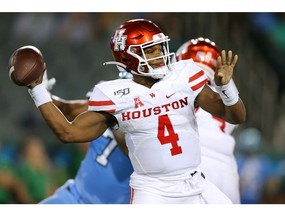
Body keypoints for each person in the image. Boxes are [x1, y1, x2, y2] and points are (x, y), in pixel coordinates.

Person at [18, 18, 246, 204]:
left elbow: (237, 116)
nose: (160, 55)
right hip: (151, 190)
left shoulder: (182, 77)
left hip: (195, 181)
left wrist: (226, 87)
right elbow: (69, 131)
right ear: (129, 57)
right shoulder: (115, 96)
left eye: (160, 48)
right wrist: (38, 90)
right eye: (151, 50)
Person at [39, 72, 133, 204]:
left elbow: (128, 146)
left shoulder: (150, 123)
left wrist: (114, 114)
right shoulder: (107, 105)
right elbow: (68, 111)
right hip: (74, 197)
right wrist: (40, 91)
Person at [176, 37, 241, 204]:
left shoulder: (182, 83)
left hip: (196, 165)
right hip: (228, 169)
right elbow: (237, 116)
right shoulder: (226, 90)